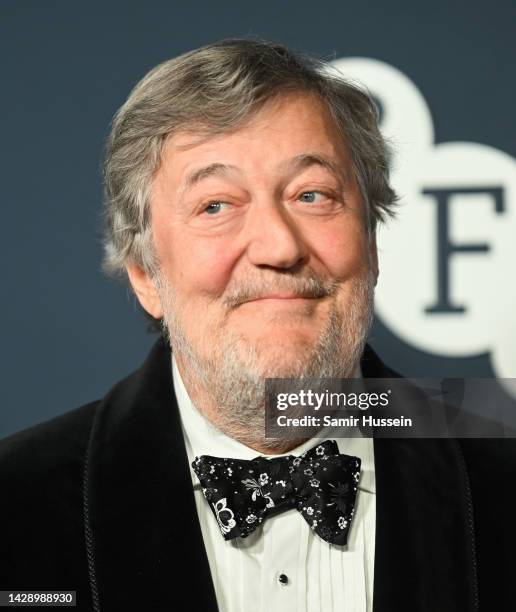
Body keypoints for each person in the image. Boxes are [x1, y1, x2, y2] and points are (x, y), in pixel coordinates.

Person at [0, 39, 513, 612]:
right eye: (216, 205)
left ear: (370, 243)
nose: (278, 246)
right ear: (146, 273)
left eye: (312, 195)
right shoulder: (14, 503)